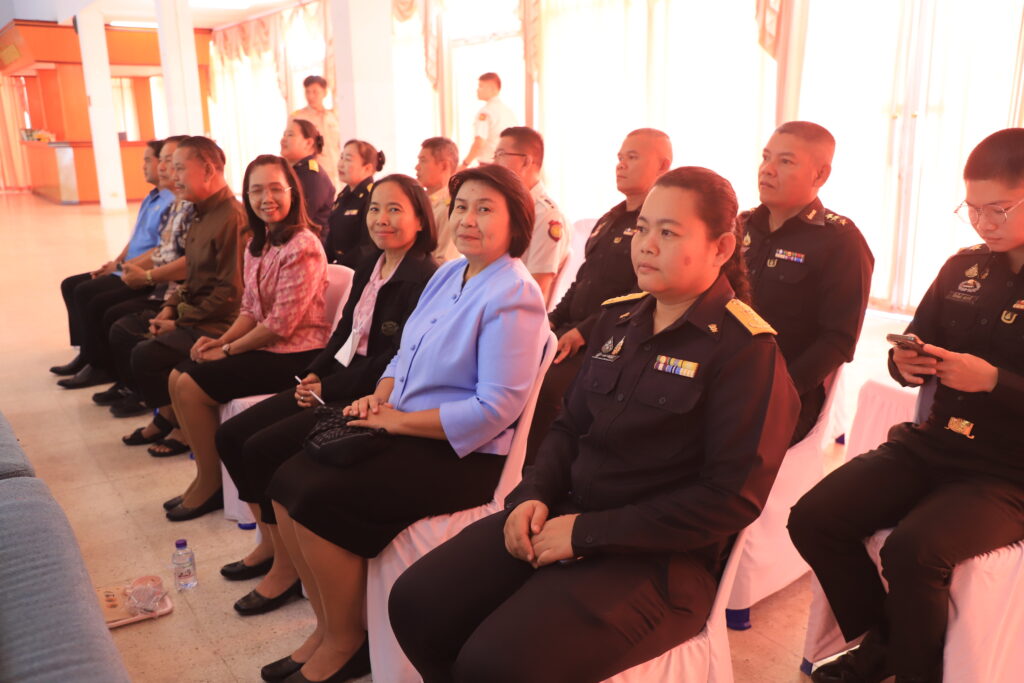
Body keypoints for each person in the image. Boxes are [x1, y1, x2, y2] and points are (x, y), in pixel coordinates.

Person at [389, 166, 800, 683]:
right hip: (563, 515)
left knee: (497, 663)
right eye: (643, 228)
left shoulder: (747, 352)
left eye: (669, 232)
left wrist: (586, 534)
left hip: (659, 560)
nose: (646, 244)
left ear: (720, 248)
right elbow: (568, 428)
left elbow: (729, 499)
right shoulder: (617, 320)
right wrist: (532, 495)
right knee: (417, 604)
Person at [260, 164, 548, 683]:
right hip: (405, 425)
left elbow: (494, 409)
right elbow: (402, 354)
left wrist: (397, 423)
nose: (468, 219)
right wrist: (379, 397)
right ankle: (328, 627)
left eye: (485, 209)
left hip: (461, 454)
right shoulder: (448, 275)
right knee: (285, 480)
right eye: (462, 207)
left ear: (516, 223)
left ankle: (348, 643)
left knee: (318, 496)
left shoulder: (514, 293)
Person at [788, 128, 1024, 683]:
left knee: (914, 550)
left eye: (999, 210)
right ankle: (886, 646)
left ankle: (910, 669)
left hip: (1008, 471)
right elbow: (913, 345)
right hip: (937, 444)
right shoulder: (963, 268)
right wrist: (905, 363)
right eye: (972, 209)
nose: (983, 223)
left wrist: (994, 381)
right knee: (815, 518)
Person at [216, 174, 438, 623]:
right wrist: (314, 372)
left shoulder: (425, 278)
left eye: (395, 209)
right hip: (336, 380)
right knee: (233, 436)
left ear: (420, 219)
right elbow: (344, 332)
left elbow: (393, 360)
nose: (381, 219)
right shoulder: (372, 263)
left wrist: (327, 389)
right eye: (375, 209)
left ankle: (285, 569)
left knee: (261, 449)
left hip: (368, 395)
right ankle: (271, 545)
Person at [161, 155, 331, 522]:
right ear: (247, 196)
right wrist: (219, 342)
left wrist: (227, 350)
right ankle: (205, 476)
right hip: (266, 346)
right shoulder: (258, 243)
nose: (266, 198)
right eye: (257, 191)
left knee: (190, 385)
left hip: (297, 355)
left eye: (275, 189)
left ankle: (211, 486)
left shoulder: (303, 245)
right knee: (177, 375)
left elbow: (280, 325)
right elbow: (250, 310)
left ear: (292, 193)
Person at [526, 128, 673, 465]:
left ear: (663, 166)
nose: (621, 164)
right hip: (573, 332)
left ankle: (536, 473)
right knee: (513, 367)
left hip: (615, 337)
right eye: (620, 157)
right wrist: (551, 320)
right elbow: (581, 282)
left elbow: (642, 293)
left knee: (549, 389)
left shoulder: (658, 228)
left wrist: (583, 332)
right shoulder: (610, 219)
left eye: (632, 157)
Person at [741, 120, 874, 443]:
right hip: (720, 378)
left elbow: (839, 340)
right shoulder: (741, 225)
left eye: (785, 161)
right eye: (766, 157)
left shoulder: (840, 240)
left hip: (784, 394)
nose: (767, 169)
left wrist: (780, 389)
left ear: (820, 175)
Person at [120, 136, 245, 456]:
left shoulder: (232, 217)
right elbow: (193, 275)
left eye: (179, 168)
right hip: (197, 314)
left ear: (208, 170)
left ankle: (178, 426)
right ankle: (169, 419)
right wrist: (169, 308)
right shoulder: (200, 212)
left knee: (146, 355)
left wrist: (180, 323)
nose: (173, 177)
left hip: (221, 323)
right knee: (137, 338)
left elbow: (230, 293)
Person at [52, 139, 175, 387]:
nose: (145, 166)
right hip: (128, 266)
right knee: (71, 285)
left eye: (149, 160)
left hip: (144, 272)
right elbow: (136, 238)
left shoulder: (172, 201)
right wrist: (116, 261)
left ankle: (99, 363)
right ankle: (87, 353)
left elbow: (162, 250)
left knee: (89, 295)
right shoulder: (152, 198)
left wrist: (121, 268)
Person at [95, 135, 192, 414]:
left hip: (172, 292)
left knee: (116, 318)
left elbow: (190, 266)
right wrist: (121, 265)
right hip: (168, 291)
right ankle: (115, 376)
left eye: (174, 163)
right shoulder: (175, 204)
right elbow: (161, 249)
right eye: (165, 161)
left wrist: (146, 278)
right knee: (93, 298)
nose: (164, 168)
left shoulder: (207, 212)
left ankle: (145, 399)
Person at [494, 126, 570, 305]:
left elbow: (537, 287)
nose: (495, 163)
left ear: (526, 162)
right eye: (495, 156)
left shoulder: (545, 215)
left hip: (514, 310)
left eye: (501, 155)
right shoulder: (508, 206)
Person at [327, 139, 385, 268]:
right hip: (339, 267)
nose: (341, 164)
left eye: (348, 159)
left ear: (367, 168)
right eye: (341, 157)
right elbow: (332, 235)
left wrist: (341, 266)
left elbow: (368, 245)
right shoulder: (344, 194)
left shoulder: (372, 196)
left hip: (359, 268)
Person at [280, 118, 335, 232]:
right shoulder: (296, 171)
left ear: (308, 143)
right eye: (284, 135)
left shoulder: (312, 176)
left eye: (290, 135)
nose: (283, 140)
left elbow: (299, 219)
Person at [291, 75, 341, 189]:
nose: (310, 96)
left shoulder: (333, 116)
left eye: (315, 92)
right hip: (315, 173)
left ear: (324, 92)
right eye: (307, 92)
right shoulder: (298, 117)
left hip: (336, 172)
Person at [416, 136, 461, 263]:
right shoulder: (420, 201)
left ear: (444, 166)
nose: (417, 167)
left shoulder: (450, 208)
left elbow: (445, 260)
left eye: (423, 161)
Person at [460, 72, 517, 168]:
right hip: (506, 165)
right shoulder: (508, 112)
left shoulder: (486, 112)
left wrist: (464, 164)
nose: (477, 90)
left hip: (489, 166)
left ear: (492, 89)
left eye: (481, 86)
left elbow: (479, 143)